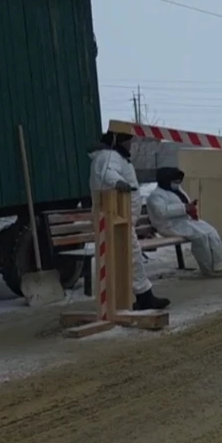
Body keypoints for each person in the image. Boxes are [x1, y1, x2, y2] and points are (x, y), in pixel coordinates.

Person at [88, 131, 170, 310]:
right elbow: (107, 173)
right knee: (132, 258)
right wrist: (117, 183)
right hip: (116, 218)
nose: (130, 145)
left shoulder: (116, 156)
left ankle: (132, 298)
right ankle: (143, 296)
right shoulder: (109, 156)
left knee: (129, 259)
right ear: (119, 141)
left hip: (121, 219)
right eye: (128, 141)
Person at [147, 167, 222, 276]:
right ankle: (206, 268)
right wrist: (184, 208)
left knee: (211, 231)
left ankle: (220, 263)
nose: (177, 184)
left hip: (185, 221)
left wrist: (189, 207)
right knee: (200, 236)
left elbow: (183, 203)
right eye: (175, 181)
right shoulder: (156, 195)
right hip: (169, 226)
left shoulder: (177, 190)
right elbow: (161, 212)